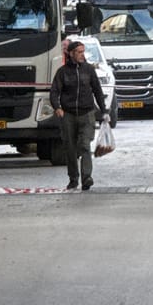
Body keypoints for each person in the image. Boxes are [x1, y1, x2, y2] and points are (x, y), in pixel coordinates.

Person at [50, 40, 107, 191]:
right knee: (70, 148)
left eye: (83, 52)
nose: (82, 55)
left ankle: (87, 178)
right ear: (71, 53)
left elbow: (97, 90)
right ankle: (73, 178)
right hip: (68, 115)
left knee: (85, 145)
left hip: (87, 114)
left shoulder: (89, 70)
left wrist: (104, 110)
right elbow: (54, 91)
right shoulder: (62, 72)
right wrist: (57, 107)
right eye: (79, 52)